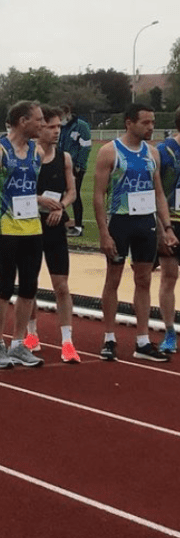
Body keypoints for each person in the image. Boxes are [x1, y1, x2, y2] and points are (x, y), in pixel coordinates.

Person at [92, 103, 175, 362]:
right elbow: (98, 195)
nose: (151, 127)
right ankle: (109, 337)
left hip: (145, 223)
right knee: (113, 279)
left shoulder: (153, 153)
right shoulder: (110, 152)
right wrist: (104, 233)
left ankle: (142, 340)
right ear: (129, 123)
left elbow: (158, 193)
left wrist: (166, 228)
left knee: (144, 280)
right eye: (146, 123)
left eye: (153, 122)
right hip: (120, 222)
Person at [0, 101, 46, 369]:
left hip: (32, 228)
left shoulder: (37, 152)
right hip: (5, 230)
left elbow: (29, 190)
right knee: (4, 287)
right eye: (38, 120)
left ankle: (18, 343)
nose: (42, 125)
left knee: (29, 287)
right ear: (23, 121)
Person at [22, 106, 81, 363]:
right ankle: (31, 333)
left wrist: (61, 207)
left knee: (62, 286)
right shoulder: (27, 156)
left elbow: (72, 192)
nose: (57, 131)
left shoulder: (64, 158)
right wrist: (40, 200)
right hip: (30, 225)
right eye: (51, 127)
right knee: (30, 283)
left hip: (55, 226)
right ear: (39, 128)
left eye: (59, 127)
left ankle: (67, 341)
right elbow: (17, 190)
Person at [156, 106, 180, 354]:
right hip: (171, 221)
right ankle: (170, 331)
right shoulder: (165, 151)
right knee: (169, 276)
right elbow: (157, 189)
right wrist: (163, 227)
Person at [59, 103, 92, 237]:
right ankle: (65, 220)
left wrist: (79, 165)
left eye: (61, 116)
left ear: (68, 114)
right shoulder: (62, 127)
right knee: (56, 192)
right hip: (62, 165)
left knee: (75, 194)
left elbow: (86, 147)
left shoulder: (81, 126)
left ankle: (78, 227)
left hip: (76, 166)